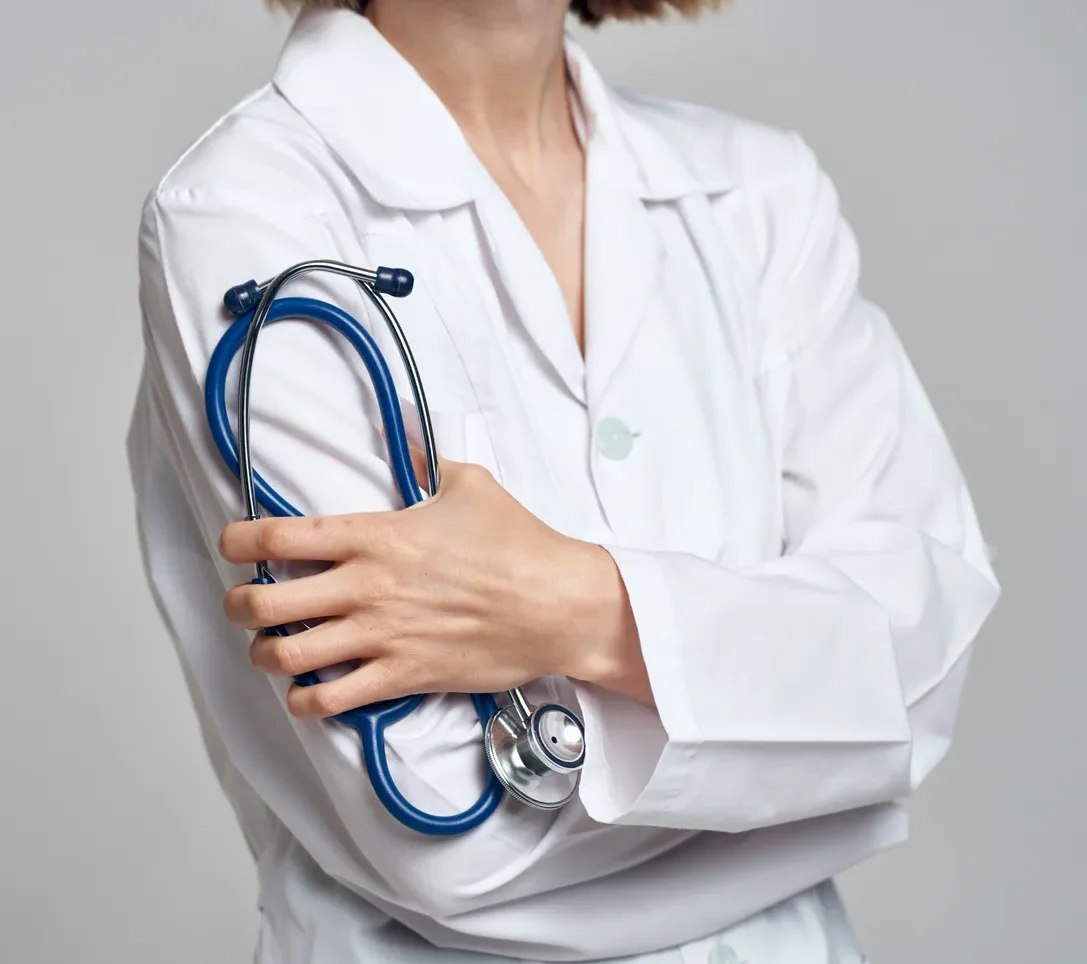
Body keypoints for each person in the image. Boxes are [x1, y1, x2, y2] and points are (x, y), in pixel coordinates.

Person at [126, 1, 1001, 961]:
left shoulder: (757, 192)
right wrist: (799, 751)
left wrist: (580, 608)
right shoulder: (242, 211)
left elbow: (923, 674)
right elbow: (443, 836)